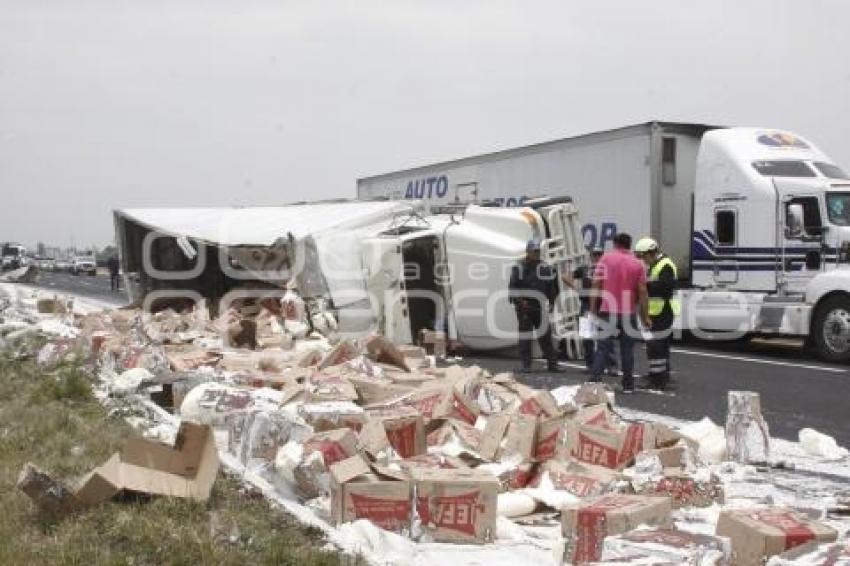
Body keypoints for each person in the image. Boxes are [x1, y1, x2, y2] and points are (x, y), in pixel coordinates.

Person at [588, 233, 650, 392]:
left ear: (615, 244)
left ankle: (593, 383)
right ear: (630, 245)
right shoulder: (638, 264)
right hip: (628, 312)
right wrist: (645, 317)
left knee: (603, 348)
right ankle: (628, 385)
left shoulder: (605, 260)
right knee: (627, 350)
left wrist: (593, 310)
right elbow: (642, 292)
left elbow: (596, 285)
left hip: (608, 311)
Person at [509, 240, 562, 373]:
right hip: (524, 306)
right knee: (525, 336)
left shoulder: (545, 267)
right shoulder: (519, 267)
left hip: (539, 305)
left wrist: (552, 302)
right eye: (534, 251)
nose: (536, 254)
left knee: (545, 335)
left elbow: (551, 287)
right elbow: (512, 288)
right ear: (528, 252)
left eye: (538, 251)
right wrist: (520, 301)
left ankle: (552, 364)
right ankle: (526, 365)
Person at [562, 247, 617, 374]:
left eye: (599, 254)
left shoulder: (607, 269)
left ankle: (611, 365)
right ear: (591, 255)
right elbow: (565, 276)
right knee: (587, 337)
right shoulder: (584, 268)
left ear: (603, 255)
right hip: (587, 304)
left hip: (604, 304)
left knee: (606, 336)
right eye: (595, 254)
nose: (597, 257)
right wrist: (576, 287)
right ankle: (590, 364)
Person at [634, 237, 679, 390]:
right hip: (658, 311)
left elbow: (666, 288)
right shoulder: (656, 265)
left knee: (656, 346)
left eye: (642, 256)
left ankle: (657, 379)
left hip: (662, 311)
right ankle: (662, 375)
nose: (642, 260)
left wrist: (645, 286)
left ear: (650, 253)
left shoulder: (665, 265)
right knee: (660, 345)